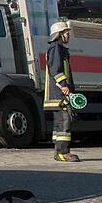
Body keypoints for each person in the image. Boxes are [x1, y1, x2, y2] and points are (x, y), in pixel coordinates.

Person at [44, 21, 79, 162]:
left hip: (58, 94)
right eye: (66, 32)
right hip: (58, 94)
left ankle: (59, 152)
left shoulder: (59, 49)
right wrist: (64, 85)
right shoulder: (55, 48)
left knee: (60, 123)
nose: (68, 34)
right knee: (65, 121)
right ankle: (62, 153)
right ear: (59, 34)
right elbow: (55, 69)